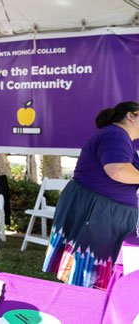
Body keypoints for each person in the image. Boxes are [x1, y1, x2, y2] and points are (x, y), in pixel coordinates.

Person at [43, 101, 139, 290]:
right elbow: (118, 170)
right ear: (131, 115)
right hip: (98, 213)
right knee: (85, 279)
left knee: (89, 277)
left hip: (102, 211)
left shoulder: (120, 137)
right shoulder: (115, 135)